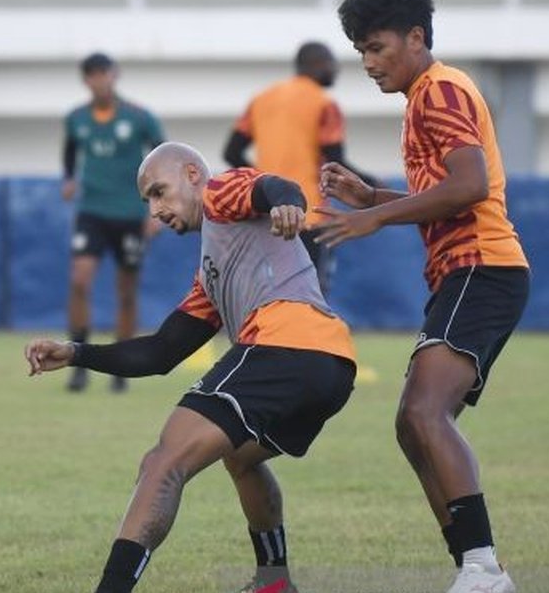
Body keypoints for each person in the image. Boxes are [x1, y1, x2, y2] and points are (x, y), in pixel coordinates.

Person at [26, 142, 356, 593]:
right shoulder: (211, 273)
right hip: (332, 364)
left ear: (192, 175)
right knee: (241, 457)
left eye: (159, 192)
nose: (155, 210)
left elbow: (273, 187)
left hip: (286, 345)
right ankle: (274, 583)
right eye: (148, 201)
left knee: (163, 462)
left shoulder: (219, 194)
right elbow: (161, 352)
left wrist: (288, 204)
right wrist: (77, 353)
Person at [315, 0, 529, 593]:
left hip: (482, 267)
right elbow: (445, 195)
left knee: (423, 411)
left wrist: (375, 218)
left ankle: (483, 569)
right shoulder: (423, 99)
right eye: (360, 50)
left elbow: (471, 186)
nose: (367, 62)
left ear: (415, 37)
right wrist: (372, 197)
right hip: (467, 272)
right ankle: (476, 568)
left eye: (376, 47)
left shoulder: (439, 89)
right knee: (413, 427)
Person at [222, 41, 379, 297]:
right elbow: (336, 163)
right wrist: (372, 184)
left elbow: (231, 153)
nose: (335, 70)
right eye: (331, 63)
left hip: (267, 216)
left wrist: (263, 184)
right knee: (312, 296)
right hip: (309, 216)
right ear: (315, 64)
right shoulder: (323, 104)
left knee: (271, 296)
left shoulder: (261, 99)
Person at [61, 52, 165, 393]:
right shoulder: (76, 118)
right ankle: (77, 361)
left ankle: (122, 366)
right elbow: (70, 151)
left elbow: (164, 159)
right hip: (92, 211)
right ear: (85, 80)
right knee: (80, 279)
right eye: (92, 75)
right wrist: (69, 178)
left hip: (130, 214)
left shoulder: (139, 117)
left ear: (114, 75)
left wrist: (156, 209)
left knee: (127, 291)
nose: (99, 80)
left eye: (104, 73)